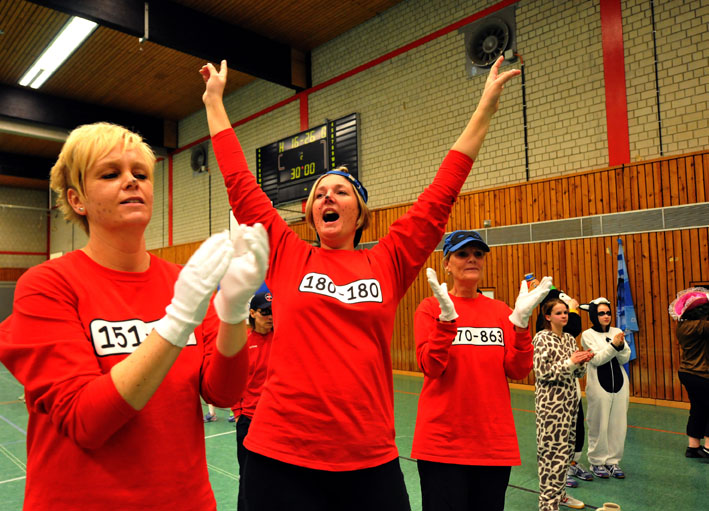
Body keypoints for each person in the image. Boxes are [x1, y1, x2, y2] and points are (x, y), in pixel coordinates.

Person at [200, 55, 520, 510]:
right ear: (311, 213)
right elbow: (239, 184)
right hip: (279, 454)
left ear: (360, 212)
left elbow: (441, 193)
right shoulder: (289, 253)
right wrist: (215, 103)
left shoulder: (388, 260)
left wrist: (485, 107)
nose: (327, 196)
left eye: (340, 191)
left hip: (368, 457)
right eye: (318, 194)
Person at [0, 122, 269, 511]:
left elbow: (224, 394)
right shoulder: (46, 286)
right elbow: (85, 420)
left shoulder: (183, 282)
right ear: (77, 199)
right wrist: (177, 322)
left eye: (140, 174)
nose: (131, 181)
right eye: (110, 174)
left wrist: (232, 312)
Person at [412, 230, 552, 511]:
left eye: (478, 254)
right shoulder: (429, 308)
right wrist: (445, 323)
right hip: (442, 444)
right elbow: (431, 367)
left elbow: (518, 370)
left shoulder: (500, 311)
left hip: (492, 444)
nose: (472, 259)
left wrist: (521, 326)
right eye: (462, 254)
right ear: (447, 264)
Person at [533, 298, 594, 510]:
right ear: (548, 317)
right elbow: (542, 372)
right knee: (550, 455)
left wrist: (582, 362)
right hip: (550, 406)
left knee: (566, 453)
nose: (564, 316)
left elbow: (577, 373)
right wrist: (570, 362)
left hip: (570, 404)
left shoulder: (569, 339)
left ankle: (560, 495)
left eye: (566, 312)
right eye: (559, 313)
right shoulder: (541, 338)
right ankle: (547, 503)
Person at [232, 290, 274, 511]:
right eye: (265, 312)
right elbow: (233, 382)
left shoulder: (283, 339)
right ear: (252, 313)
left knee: (279, 478)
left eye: (273, 312)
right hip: (249, 420)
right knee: (247, 477)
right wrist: (239, 413)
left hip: (277, 420)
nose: (270, 317)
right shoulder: (243, 343)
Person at [580, 297, 631, 479]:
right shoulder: (587, 335)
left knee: (618, 425)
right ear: (594, 315)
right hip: (598, 385)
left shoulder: (617, 331)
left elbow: (624, 358)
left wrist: (620, 346)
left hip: (621, 384)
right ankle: (596, 461)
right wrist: (614, 346)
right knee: (598, 424)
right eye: (601, 313)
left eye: (608, 313)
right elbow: (597, 359)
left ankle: (612, 461)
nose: (606, 316)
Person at [669, 287, 709, 459]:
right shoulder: (701, 326)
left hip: (687, 372)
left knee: (698, 408)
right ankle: (708, 448)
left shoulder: (682, 326)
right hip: (702, 374)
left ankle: (693, 447)